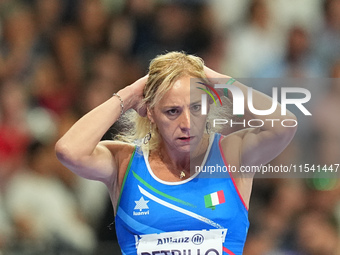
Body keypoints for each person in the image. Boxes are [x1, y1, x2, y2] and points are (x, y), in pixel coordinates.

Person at [55, 51, 297, 255]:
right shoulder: (126, 162)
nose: (187, 123)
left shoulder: (232, 155)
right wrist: (129, 94)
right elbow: (69, 150)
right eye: (172, 111)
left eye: (196, 107)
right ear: (150, 112)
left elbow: (286, 124)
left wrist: (217, 79)